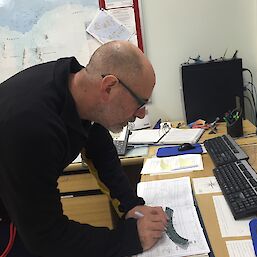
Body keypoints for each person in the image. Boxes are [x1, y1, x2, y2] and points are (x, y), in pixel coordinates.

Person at [0, 40, 168, 257]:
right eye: (140, 103)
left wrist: (131, 207)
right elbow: (48, 240)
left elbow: (101, 153)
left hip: (19, 201)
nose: (141, 114)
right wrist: (130, 239)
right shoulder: (33, 127)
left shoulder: (78, 87)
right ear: (108, 87)